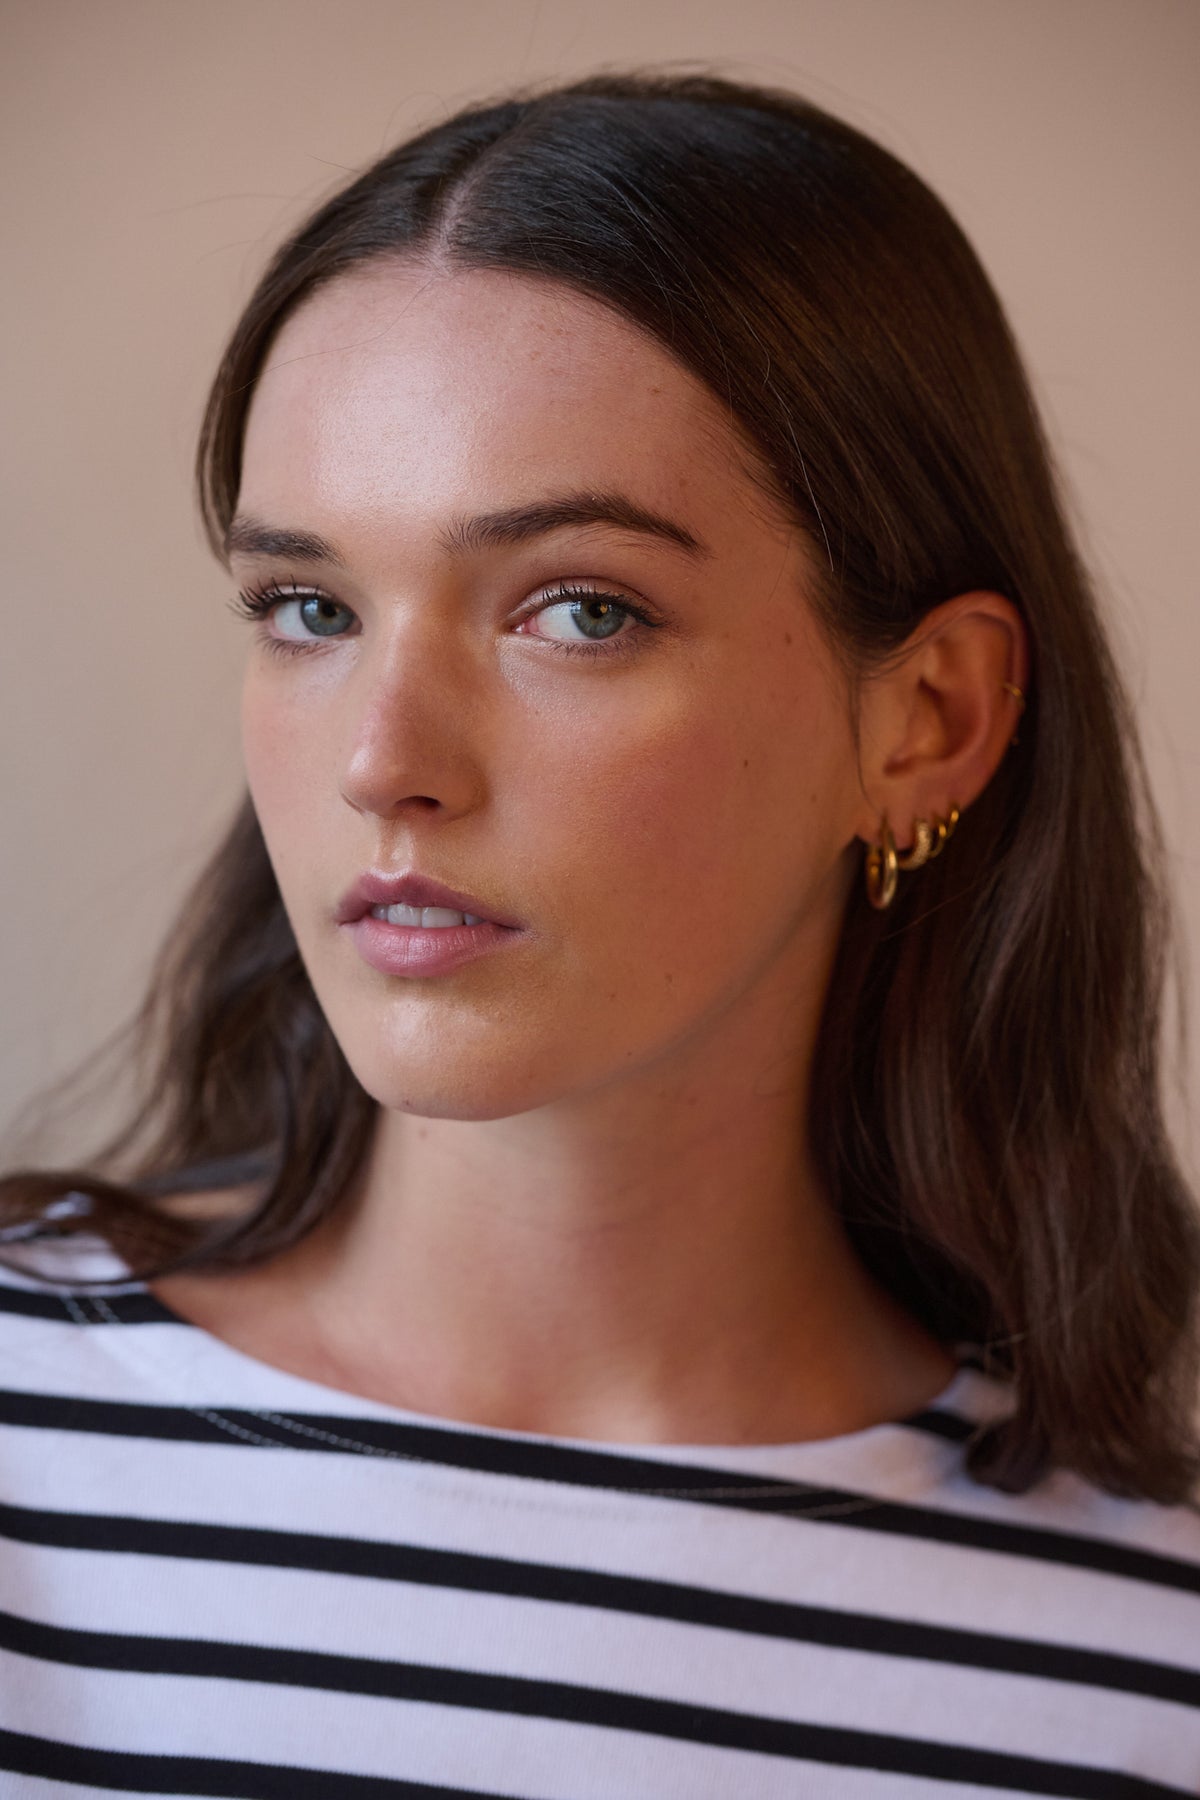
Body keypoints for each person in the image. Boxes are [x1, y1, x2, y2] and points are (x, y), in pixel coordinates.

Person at [1, 70, 1197, 1798]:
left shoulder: (1142, 1677)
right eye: (309, 608)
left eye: (579, 608)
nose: (381, 761)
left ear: (927, 716)